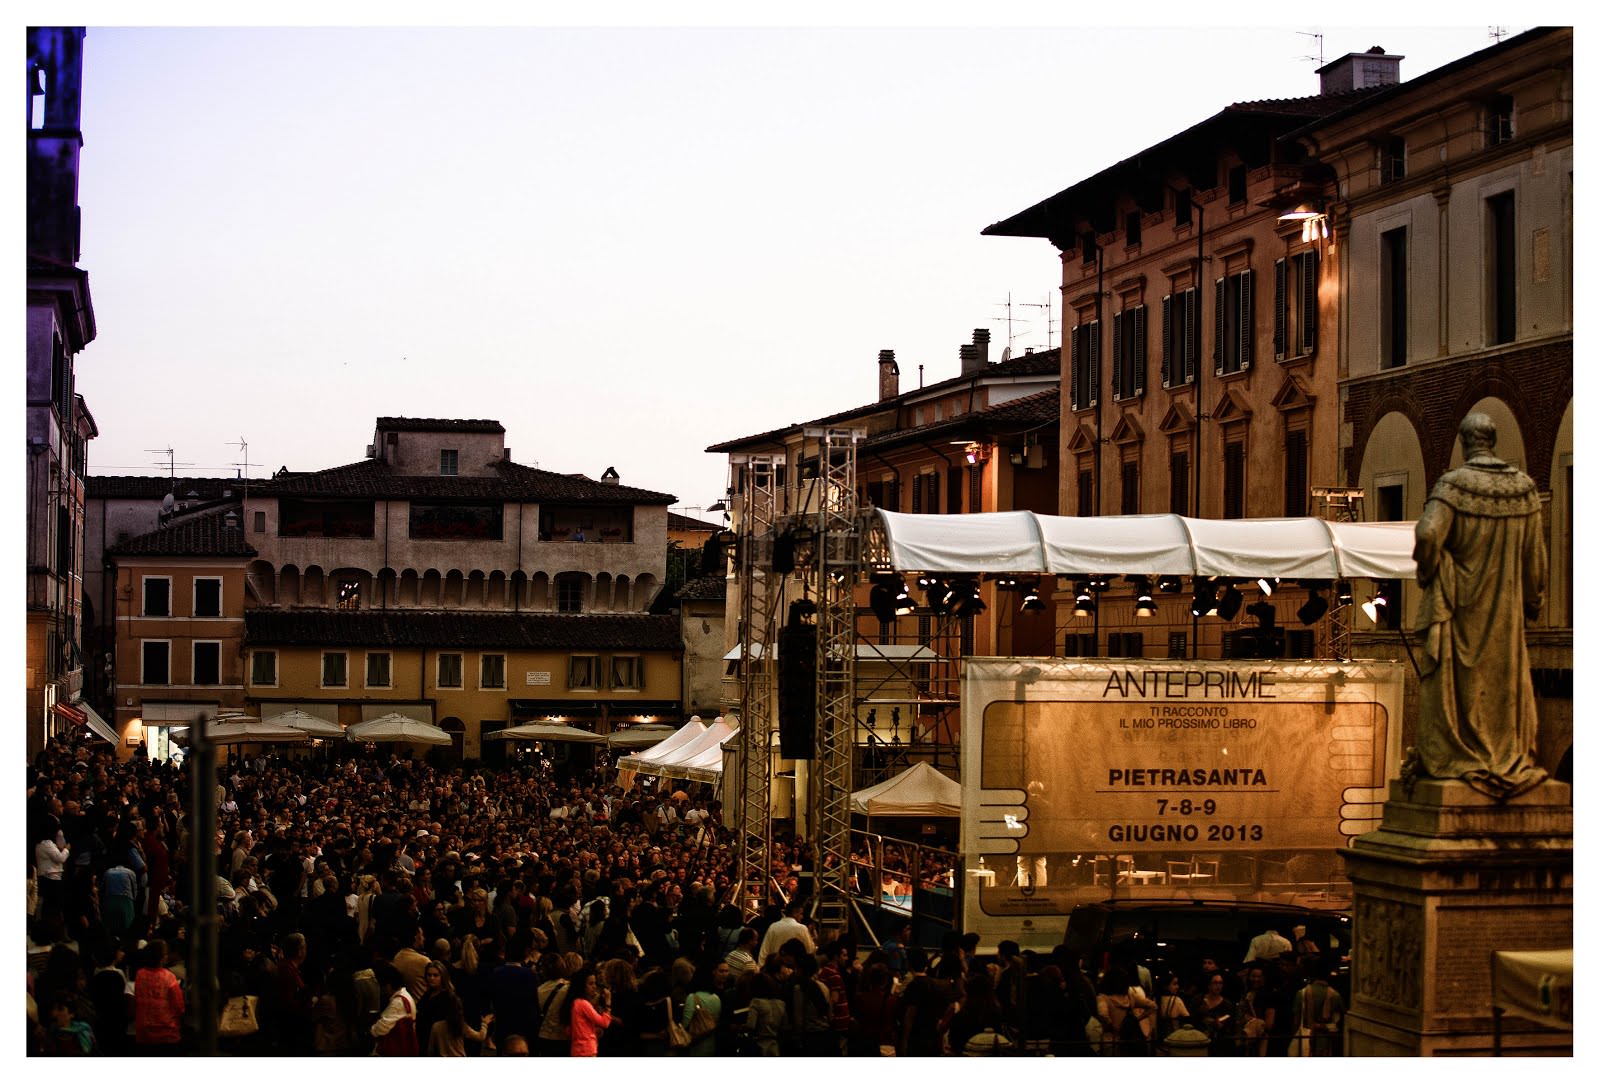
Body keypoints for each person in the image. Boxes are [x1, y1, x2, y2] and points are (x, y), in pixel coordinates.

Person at [1412, 412, 1549, 799]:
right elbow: (1536, 563)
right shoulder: (1524, 490)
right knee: (1503, 689)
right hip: (1506, 618)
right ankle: (1506, 753)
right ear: (1493, 440)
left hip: (1459, 616)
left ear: (1463, 442)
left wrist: (1431, 572)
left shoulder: (1453, 486)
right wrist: (1532, 603)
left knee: (1456, 688)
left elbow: (1427, 533)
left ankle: (1463, 752)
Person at [133, 939, 185, 1054]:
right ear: (162, 958)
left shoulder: (140, 974)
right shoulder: (169, 977)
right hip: (167, 1034)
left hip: (143, 1034)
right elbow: (179, 1007)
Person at [1288, 956, 1344, 1057]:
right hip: (1327, 1043)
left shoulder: (1302, 993)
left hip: (1305, 1040)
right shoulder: (1335, 995)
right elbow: (1337, 1024)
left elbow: (1296, 1022)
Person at [370, 961, 419, 1056]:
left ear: (388, 985)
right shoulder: (405, 995)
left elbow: (381, 1028)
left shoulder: (398, 1002)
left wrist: (370, 1030)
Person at [757, 897, 813, 965]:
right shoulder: (802, 928)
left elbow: (764, 952)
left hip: (775, 969)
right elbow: (810, 951)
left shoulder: (773, 927)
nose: (802, 917)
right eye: (801, 914)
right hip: (795, 969)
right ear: (795, 913)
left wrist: (762, 968)